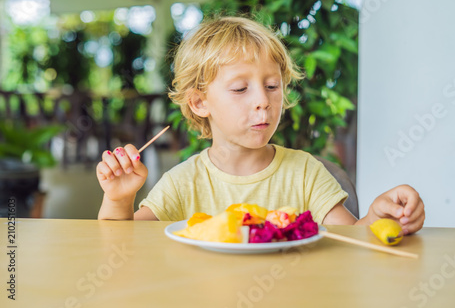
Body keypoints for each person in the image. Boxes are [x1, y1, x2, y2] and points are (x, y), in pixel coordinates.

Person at [96, 16, 425, 234]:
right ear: (199, 102)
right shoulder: (182, 183)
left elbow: (353, 241)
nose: (263, 101)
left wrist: (379, 219)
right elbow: (121, 247)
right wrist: (119, 199)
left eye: (272, 86)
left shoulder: (306, 173)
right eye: (240, 89)